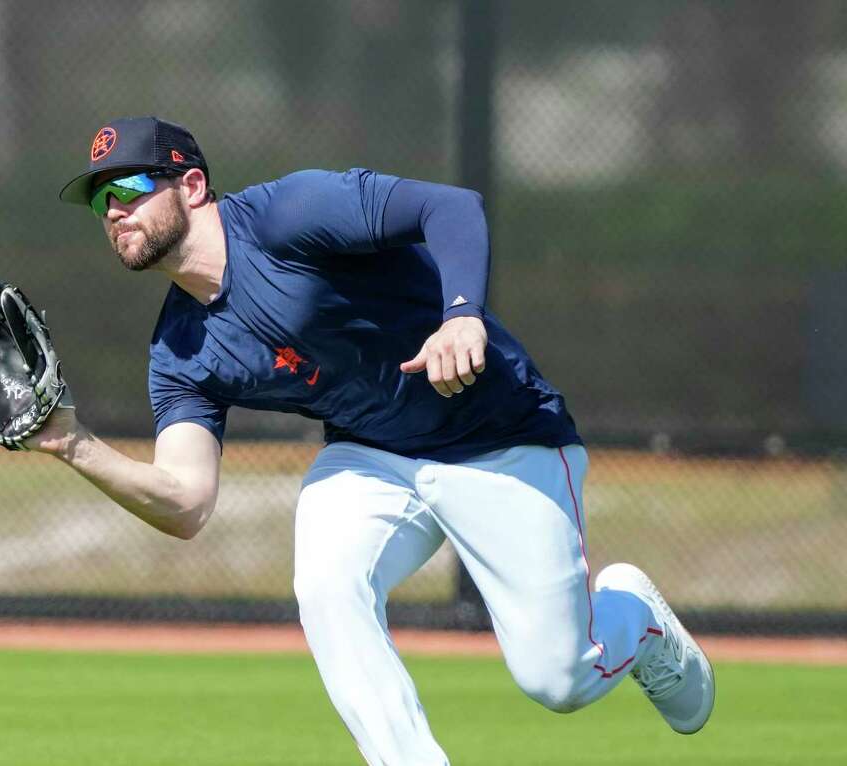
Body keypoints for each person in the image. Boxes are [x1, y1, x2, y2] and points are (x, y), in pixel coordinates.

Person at [43, 116, 714, 764]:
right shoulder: (180, 350)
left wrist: (461, 318)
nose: (112, 209)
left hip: (500, 437)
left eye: (129, 187)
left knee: (558, 681)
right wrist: (70, 444)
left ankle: (634, 618)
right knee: (328, 585)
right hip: (370, 454)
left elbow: (451, 208)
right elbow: (185, 501)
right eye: (100, 197)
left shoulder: (287, 214)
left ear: (190, 187)